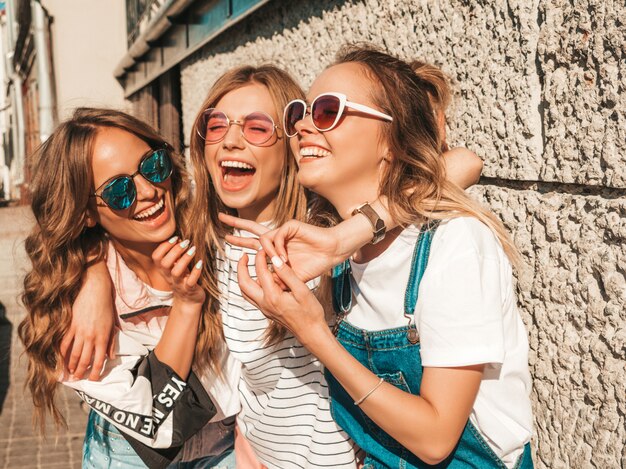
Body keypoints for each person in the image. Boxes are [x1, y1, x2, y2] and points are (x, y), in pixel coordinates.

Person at [68, 63, 483, 468]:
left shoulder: (321, 225)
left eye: (256, 127)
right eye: (216, 126)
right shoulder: (207, 230)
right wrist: (93, 276)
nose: (230, 141)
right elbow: (121, 215)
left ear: (293, 143)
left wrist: (349, 234)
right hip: (244, 453)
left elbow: (465, 163)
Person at [231, 45, 534, 468]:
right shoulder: (331, 250)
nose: (302, 126)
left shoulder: (454, 243)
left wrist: (312, 332)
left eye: (326, 111)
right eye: (300, 113)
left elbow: (435, 439)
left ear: (390, 141)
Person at [18, 108, 239, 468]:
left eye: (153, 165)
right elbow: (154, 413)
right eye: (120, 191)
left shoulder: (213, 229)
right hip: (129, 455)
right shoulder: (69, 301)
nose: (149, 191)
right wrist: (186, 303)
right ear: (86, 212)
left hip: (230, 448)